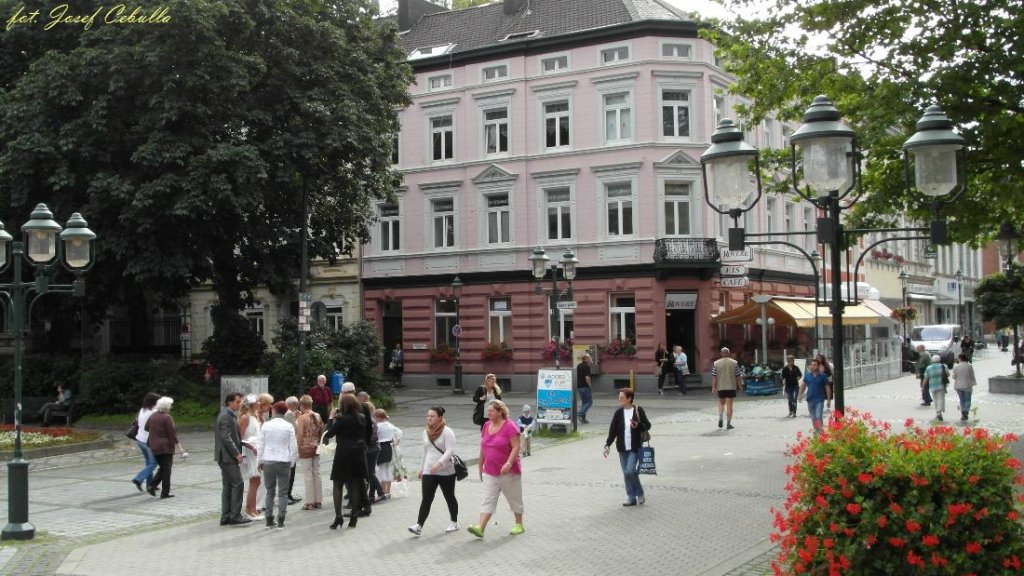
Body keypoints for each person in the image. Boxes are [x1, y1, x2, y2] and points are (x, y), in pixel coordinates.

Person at [467, 399, 525, 538]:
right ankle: (480, 528)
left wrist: (509, 463)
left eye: (491, 411)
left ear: (500, 412)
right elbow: (483, 447)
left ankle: (519, 524)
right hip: (490, 471)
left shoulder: (510, 426)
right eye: (488, 411)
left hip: (508, 471)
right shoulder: (486, 425)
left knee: (514, 498)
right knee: (488, 499)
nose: (489, 413)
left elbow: (516, 446)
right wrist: (480, 465)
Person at [408, 406, 459, 536]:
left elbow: (449, 451)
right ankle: (419, 525)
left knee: (449, 496)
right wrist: (421, 468)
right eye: (428, 416)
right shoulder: (425, 432)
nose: (429, 418)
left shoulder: (447, 432)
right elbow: (425, 451)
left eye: (432, 416)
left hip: (446, 470)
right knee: (426, 498)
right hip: (429, 470)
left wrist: (439, 463)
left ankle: (454, 521)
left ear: (440, 418)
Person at [323, 393, 368, 530]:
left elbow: (328, 433)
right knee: (354, 484)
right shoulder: (362, 418)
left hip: (343, 454)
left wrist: (331, 418)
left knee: (338, 484)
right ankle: (354, 517)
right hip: (358, 454)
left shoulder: (341, 420)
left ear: (343, 405)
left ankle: (338, 517)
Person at [602, 388, 651, 506]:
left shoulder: (638, 410)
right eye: (619, 397)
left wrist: (638, 425)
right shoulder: (618, 413)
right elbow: (612, 430)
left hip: (635, 447)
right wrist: (607, 445)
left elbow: (647, 425)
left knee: (630, 470)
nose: (619, 399)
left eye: (622, 398)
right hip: (622, 448)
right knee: (626, 473)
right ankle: (631, 497)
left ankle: (639, 493)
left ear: (629, 399)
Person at [258, 401, 298, 528]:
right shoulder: (288, 426)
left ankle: (269, 519)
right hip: (284, 460)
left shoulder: (266, 425)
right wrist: (292, 461)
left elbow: (261, 445)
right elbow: (293, 447)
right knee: (283, 492)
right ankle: (281, 519)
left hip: (269, 460)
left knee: (270, 491)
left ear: (274, 411)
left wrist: (260, 461)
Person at [215, 392, 251, 526]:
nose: (239, 404)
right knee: (238, 483)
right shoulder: (226, 416)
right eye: (237, 401)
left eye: (240, 401)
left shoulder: (228, 414)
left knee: (228, 486)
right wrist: (237, 453)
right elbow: (226, 437)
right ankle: (235, 515)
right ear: (229, 402)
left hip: (225, 456)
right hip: (227, 456)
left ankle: (226, 516)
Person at [146, 396, 184, 499]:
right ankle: (164, 493)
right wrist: (180, 448)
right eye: (170, 406)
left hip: (154, 446)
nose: (170, 407)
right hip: (165, 447)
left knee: (162, 468)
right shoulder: (167, 418)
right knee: (167, 470)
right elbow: (172, 434)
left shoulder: (152, 416)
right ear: (166, 407)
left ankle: (152, 486)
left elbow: (146, 428)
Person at [295, 395, 324, 511]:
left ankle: (309, 502)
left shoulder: (302, 418)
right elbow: (322, 430)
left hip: (305, 448)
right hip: (316, 447)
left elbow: (300, 434)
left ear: (301, 405)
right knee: (316, 473)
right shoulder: (317, 415)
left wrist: (298, 446)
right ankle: (318, 500)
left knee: (308, 475)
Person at [238, 394, 264, 518]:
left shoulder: (256, 417)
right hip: (249, 451)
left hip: (256, 451)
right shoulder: (245, 418)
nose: (259, 404)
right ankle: (249, 510)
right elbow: (240, 438)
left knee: (257, 481)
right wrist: (252, 447)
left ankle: (252, 508)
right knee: (254, 480)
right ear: (252, 404)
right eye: (257, 402)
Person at [130, 392, 161, 492]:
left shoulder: (142, 410)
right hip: (148, 442)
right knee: (154, 463)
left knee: (148, 463)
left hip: (140, 440)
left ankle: (150, 485)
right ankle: (138, 478)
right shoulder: (154, 412)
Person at [711, 347, 743, 430]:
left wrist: (714, 387)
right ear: (729, 353)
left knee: (721, 403)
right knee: (729, 405)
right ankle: (728, 423)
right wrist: (740, 385)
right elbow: (738, 375)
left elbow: (714, 376)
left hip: (721, 387)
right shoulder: (734, 363)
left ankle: (721, 415)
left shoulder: (716, 363)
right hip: (731, 387)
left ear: (721, 354)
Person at [373, 408, 400, 501]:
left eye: (375, 417)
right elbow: (399, 432)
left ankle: (382, 492)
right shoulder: (389, 425)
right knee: (387, 469)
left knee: (381, 469)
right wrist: (397, 441)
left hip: (381, 447)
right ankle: (388, 491)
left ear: (378, 417)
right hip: (389, 447)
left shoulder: (378, 426)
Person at [799, 359, 830, 434]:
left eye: (814, 365)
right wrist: (800, 395)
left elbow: (827, 387)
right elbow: (803, 385)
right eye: (812, 365)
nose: (812, 366)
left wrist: (829, 400)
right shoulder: (807, 376)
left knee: (818, 416)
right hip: (810, 400)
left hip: (819, 400)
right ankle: (817, 429)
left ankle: (820, 431)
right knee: (813, 417)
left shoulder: (823, 376)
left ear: (818, 366)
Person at [282, 396, 302, 505]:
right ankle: (287, 495)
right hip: (289, 447)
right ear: (293, 404)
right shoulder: (289, 414)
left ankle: (289, 495)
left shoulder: (291, 413)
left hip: (291, 447)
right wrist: (298, 419)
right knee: (290, 472)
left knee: (292, 472)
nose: (298, 406)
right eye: (296, 404)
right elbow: (295, 429)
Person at [951, 353, 977, 422]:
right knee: (967, 400)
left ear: (960, 358)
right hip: (967, 385)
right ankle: (966, 412)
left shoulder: (956, 367)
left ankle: (963, 413)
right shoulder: (969, 366)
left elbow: (954, 377)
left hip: (958, 386)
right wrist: (973, 383)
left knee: (962, 400)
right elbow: (972, 375)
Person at [924, 354, 949, 421]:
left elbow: (926, 377)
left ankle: (937, 412)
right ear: (939, 360)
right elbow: (948, 374)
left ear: (932, 360)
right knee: (940, 398)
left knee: (935, 399)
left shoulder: (929, 368)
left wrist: (923, 386)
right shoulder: (944, 366)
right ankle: (939, 412)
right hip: (941, 385)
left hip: (932, 385)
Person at [576, 354, 593, 424]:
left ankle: (583, 419)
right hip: (585, 386)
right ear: (586, 359)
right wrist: (590, 385)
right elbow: (587, 378)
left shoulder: (579, 365)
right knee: (589, 402)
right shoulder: (586, 366)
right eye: (590, 358)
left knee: (584, 403)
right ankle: (579, 414)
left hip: (579, 387)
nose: (591, 359)